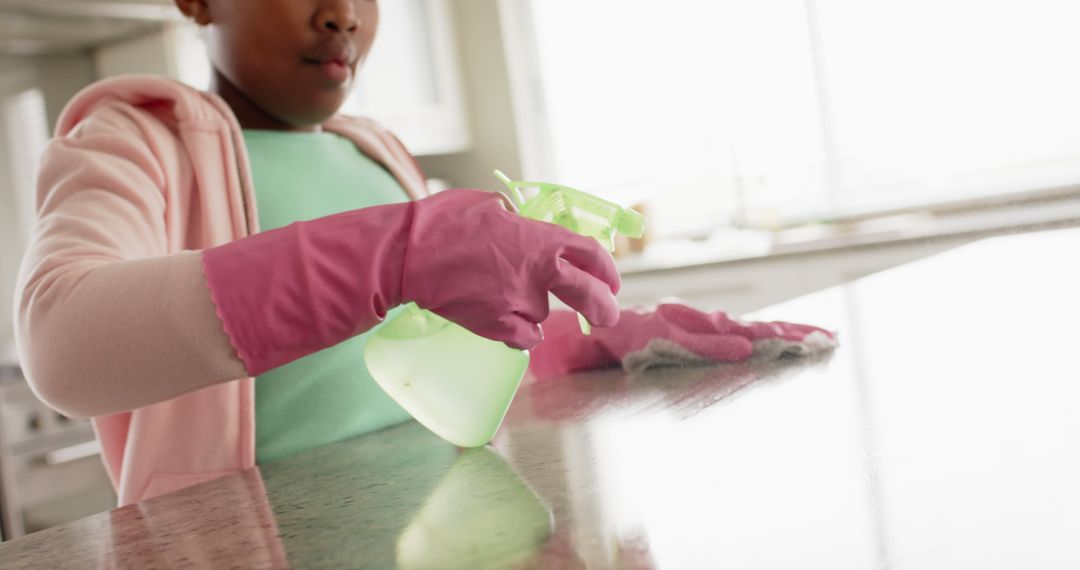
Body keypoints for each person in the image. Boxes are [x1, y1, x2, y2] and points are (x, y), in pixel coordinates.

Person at [13, 0, 832, 506]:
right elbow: (61, 342)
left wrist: (584, 343)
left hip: (442, 521)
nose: (342, 13)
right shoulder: (132, 139)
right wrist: (396, 250)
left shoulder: (380, 154)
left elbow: (411, 360)